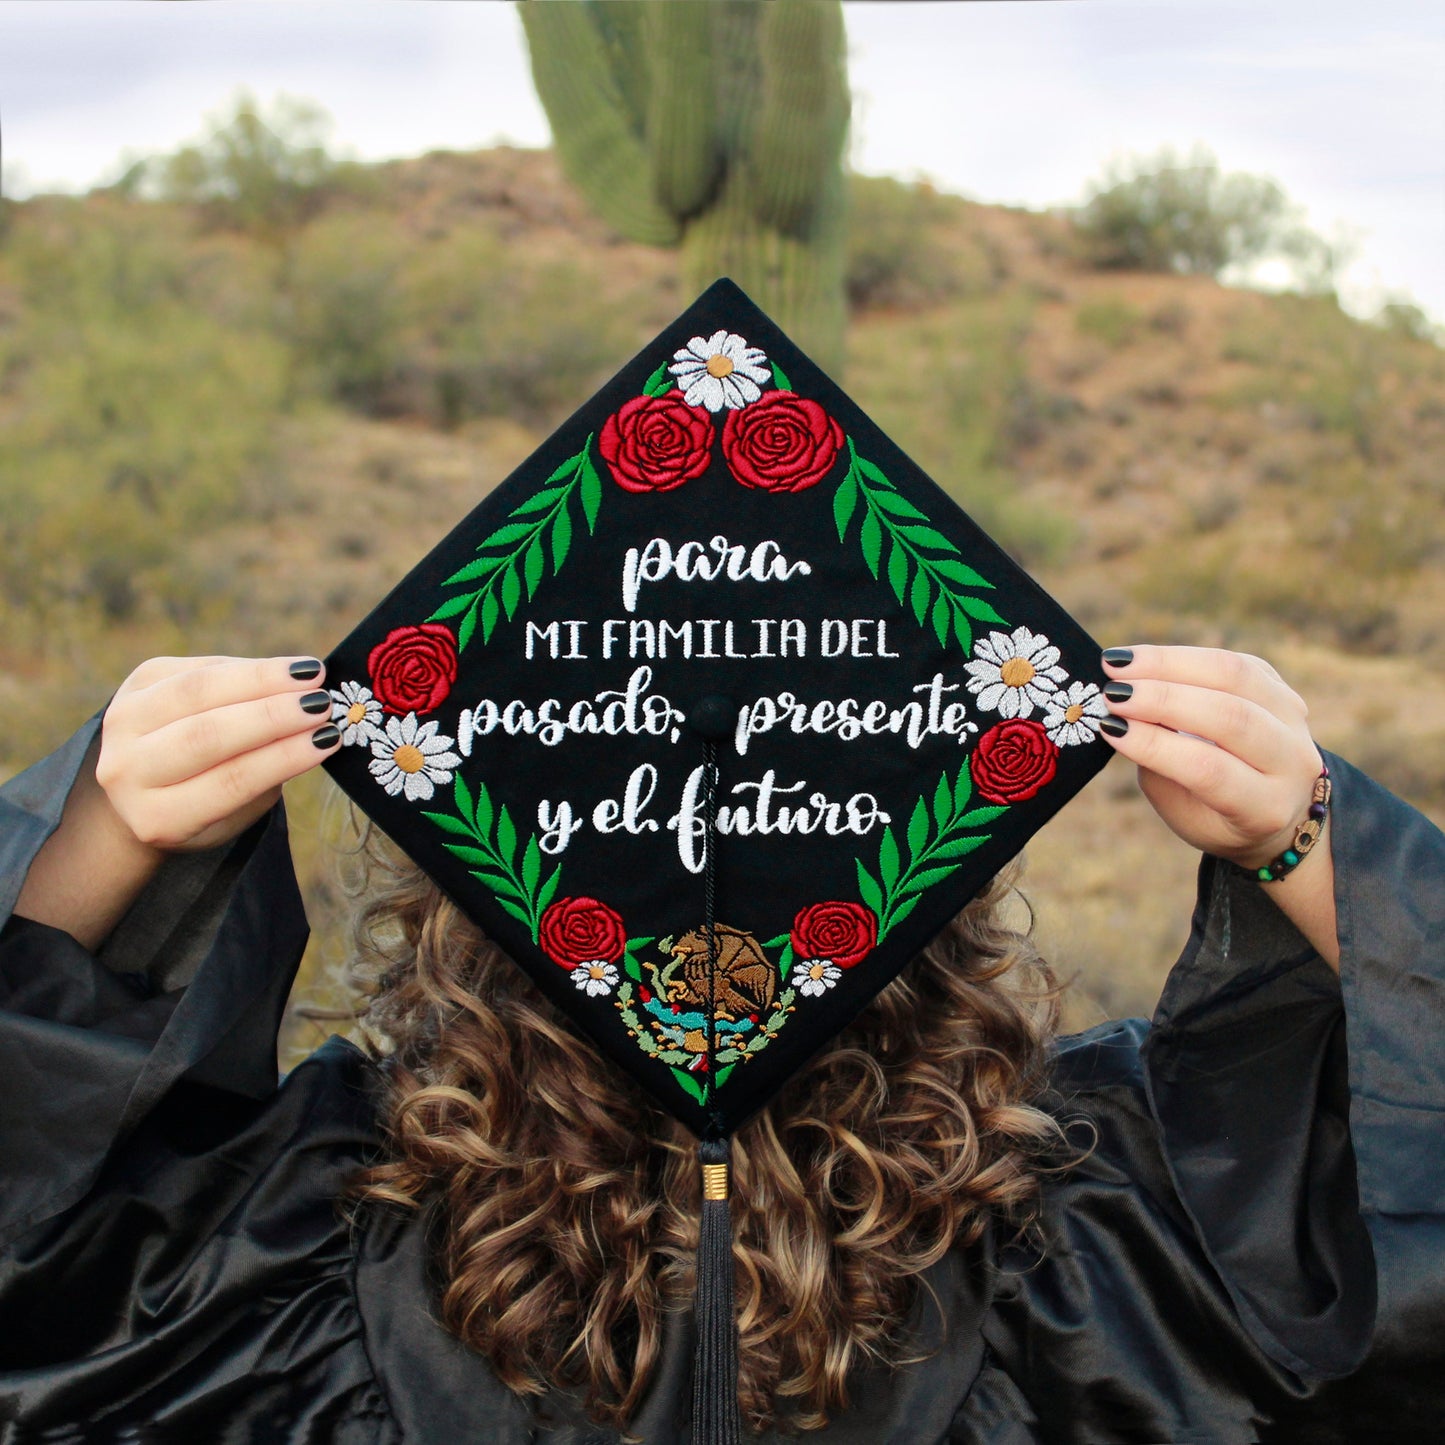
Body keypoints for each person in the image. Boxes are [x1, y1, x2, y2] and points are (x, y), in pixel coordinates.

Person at [2, 642, 1441, 1443]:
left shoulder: (1102, 1221)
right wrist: (96, 838)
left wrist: (1313, 840)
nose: (699, 850)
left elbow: (1401, 1262)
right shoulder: (300, 1227)